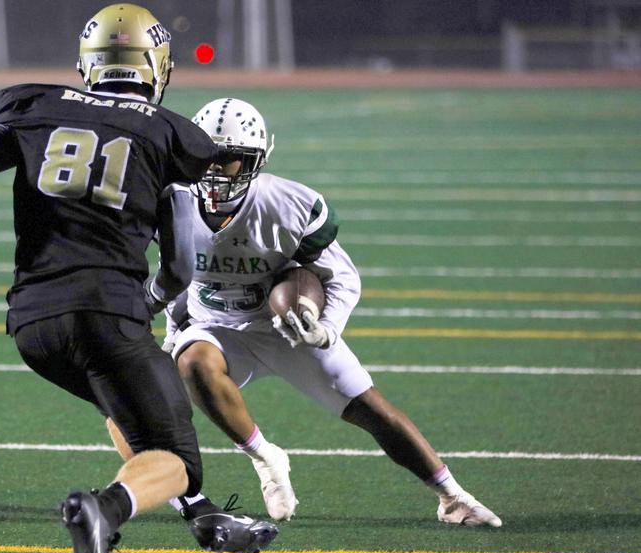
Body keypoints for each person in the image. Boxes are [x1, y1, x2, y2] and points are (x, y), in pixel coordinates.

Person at [0, 6, 276, 553]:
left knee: (127, 405)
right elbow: (180, 268)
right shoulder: (171, 134)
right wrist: (146, 305)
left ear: (89, 62)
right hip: (106, 312)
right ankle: (105, 509)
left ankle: (204, 514)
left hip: (31, 324)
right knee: (175, 453)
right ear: (157, 66)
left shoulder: (38, 107)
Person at [160, 97, 502, 528]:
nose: (214, 169)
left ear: (256, 161)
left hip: (284, 326)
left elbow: (341, 277)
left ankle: (452, 496)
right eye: (206, 157)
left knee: (371, 409)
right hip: (217, 325)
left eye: (228, 160)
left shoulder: (287, 206)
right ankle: (266, 458)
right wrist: (175, 328)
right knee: (191, 362)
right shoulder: (173, 200)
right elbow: (177, 273)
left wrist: (325, 329)